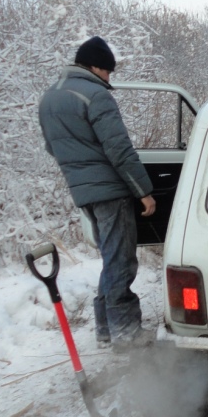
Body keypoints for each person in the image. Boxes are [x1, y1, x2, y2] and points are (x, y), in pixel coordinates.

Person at [39, 35, 156, 351]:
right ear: (94, 67)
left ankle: (105, 327)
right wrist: (143, 191)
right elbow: (119, 148)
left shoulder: (49, 98)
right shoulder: (96, 96)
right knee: (121, 260)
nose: (108, 78)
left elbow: (53, 146)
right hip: (110, 191)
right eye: (107, 71)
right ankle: (125, 332)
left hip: (82, 191)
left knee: (110, 256)